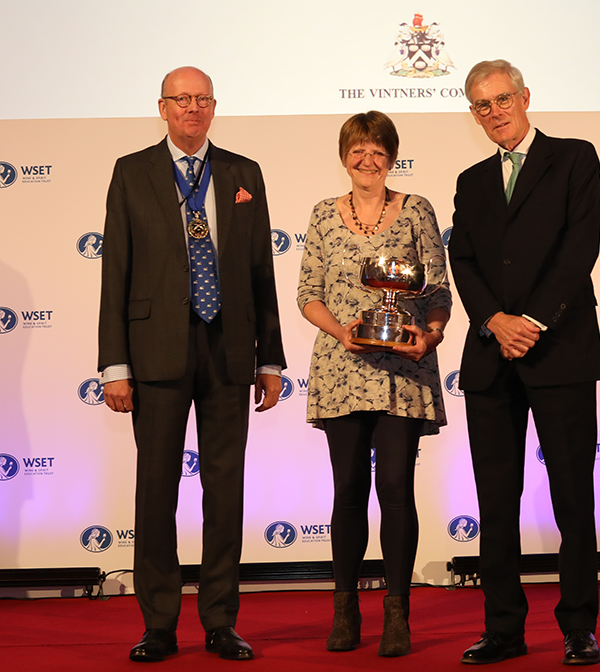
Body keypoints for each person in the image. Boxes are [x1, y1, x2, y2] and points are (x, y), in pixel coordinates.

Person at [98, 66, 286, 663]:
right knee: (155, 490)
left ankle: (220, 621)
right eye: (182, 99)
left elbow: (262, 271)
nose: (193, 109)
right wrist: (113, 365)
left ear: (213, 107)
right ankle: (157, 623)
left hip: (229, 350)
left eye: (203, 99)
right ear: (161, 107)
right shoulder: (132, 172)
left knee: (224, 490)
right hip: (154, 352)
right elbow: (115, 274)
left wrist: (272, 358)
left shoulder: (242, 172)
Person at [449, 60, 600, 666]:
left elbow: (580, 247)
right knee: (495, 501)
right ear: (473, 114)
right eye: (482, 105)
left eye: (502, 99)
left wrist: (532, 322)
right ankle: (503, 629)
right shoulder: (470, 180)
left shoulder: (574, 158)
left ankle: (578, 628)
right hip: (491, 358)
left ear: (525, 96)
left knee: (572, 497)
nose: (494, 112)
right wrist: (494, 321)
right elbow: (463, 259)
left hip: (560, 350)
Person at [297, 111, 451, 658]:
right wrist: (341, 330)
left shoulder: (417, 211)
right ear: (345, 156)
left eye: (378, 150)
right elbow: (307, 292)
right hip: (342, 369)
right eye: (358, 150)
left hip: (403, 374)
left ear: (392, 156)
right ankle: (344, 612)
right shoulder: (322, 214)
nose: (368, 159)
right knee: (348, 493)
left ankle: (397, 616)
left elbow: (438, 294)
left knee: (395, 490)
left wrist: (428, 336)